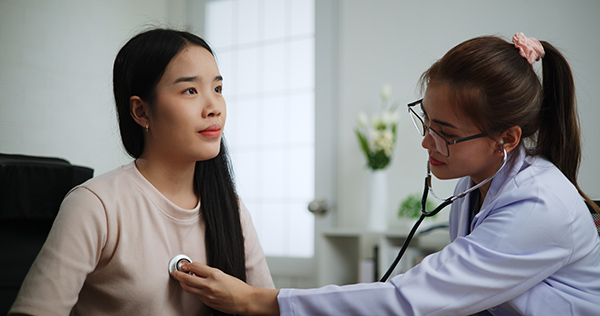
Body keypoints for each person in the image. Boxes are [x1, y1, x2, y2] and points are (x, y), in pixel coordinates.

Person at [170, 33, 600, 315]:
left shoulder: (539, 206)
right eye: (426, 122)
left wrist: (258, 302)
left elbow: (412, 298)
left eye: (445, 133)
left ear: (506, 138)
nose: (426, 143)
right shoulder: (477, 183)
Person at [8, 28, 274, 316]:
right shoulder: (95, 205)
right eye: (190, 90)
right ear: (141, 112)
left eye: (218, 89)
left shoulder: (230, 208)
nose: (214, 108)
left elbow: (263, 304)